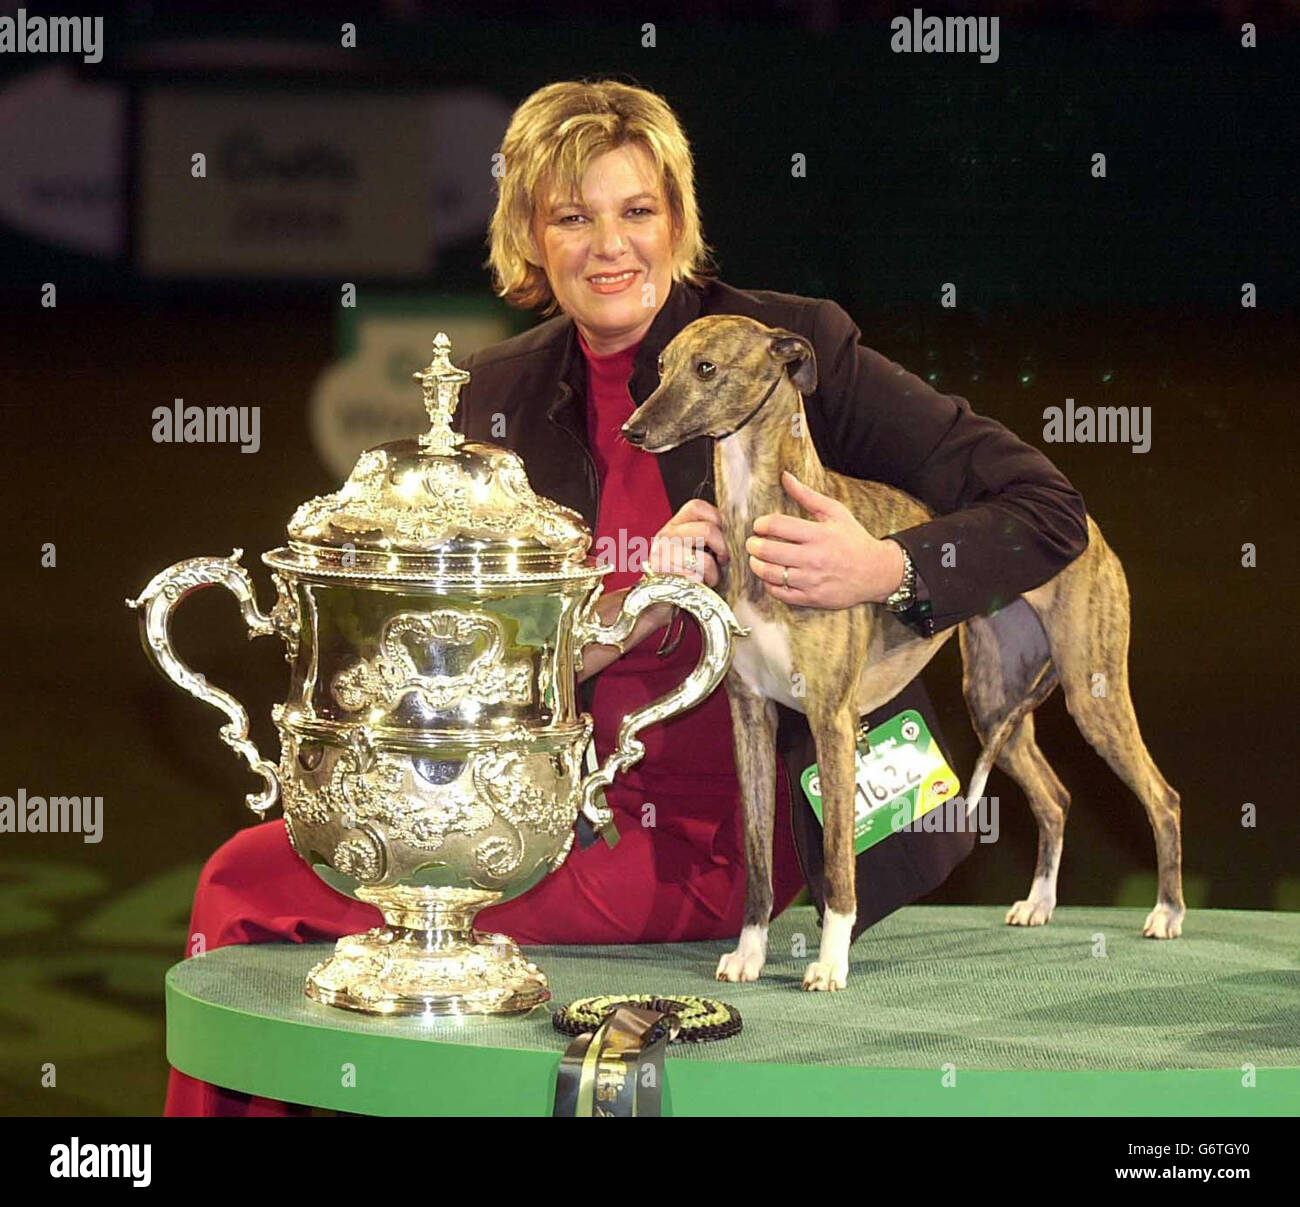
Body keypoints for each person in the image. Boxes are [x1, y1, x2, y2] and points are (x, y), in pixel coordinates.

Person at [164, 78, 1088, 1115]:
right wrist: (612, 627)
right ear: (530, 236)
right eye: (572, 216)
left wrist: (890, 570)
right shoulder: (497, 394)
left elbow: (1045, 511)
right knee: (254, 881)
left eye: (637, 210)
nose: (610, 246)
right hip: (559, 810)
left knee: (258, 897)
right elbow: (472, 659)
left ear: (679, 222)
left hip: (762, 827)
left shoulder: (789, 349)